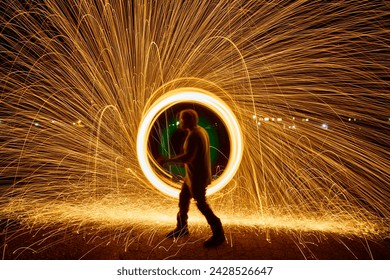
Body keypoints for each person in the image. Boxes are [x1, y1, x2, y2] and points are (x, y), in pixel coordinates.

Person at [159, 109, 225, 248]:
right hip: (191, 176)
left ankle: (218, 232)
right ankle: (182, 228)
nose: (180, 122)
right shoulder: (200, 131)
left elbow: (188, 157)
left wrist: (168, 160)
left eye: (182, 119)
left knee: (201, 204)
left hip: (197, 178)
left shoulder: (195, 135)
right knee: (183, 199)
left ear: (189, 120)